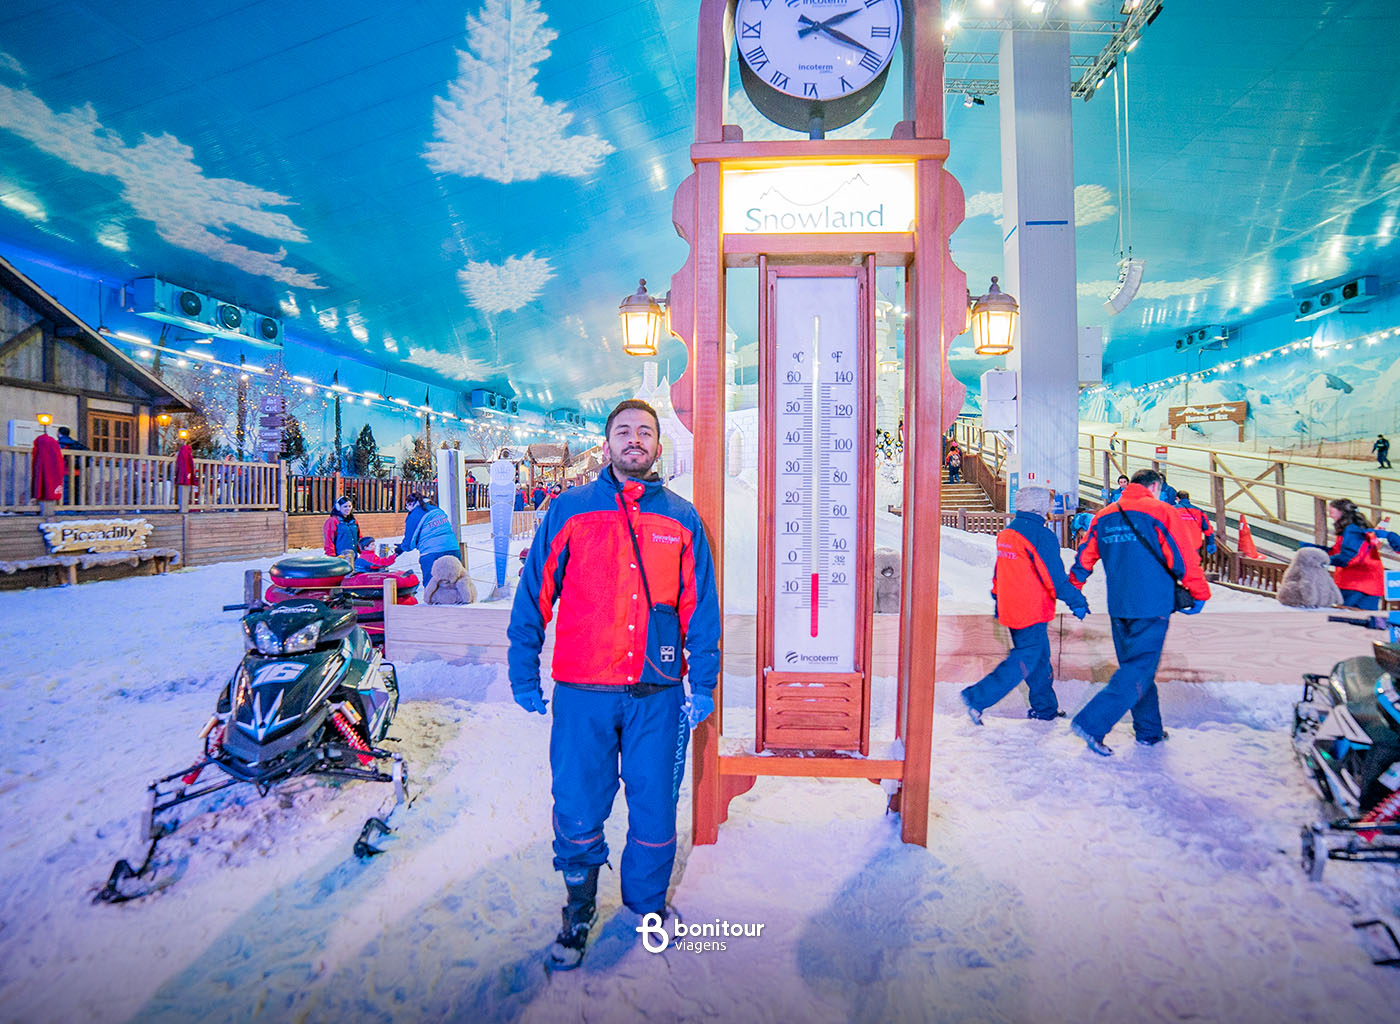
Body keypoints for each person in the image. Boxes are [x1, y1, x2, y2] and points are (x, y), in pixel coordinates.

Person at [507, 399, 720, 970]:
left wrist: (703, 680)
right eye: (623, 431)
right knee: (578, 802)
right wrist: (522, 666)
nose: (634, 439)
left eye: (644, 432)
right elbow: (534, 592)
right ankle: (578, 906)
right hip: (583, 692)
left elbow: (700, 606)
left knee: (655, 807)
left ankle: (646, 905)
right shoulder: (570, 510)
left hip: (658, 693)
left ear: (657, 446)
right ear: (607, 445)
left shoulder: (682, 519)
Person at [1068, 468, 1211, 756]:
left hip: (1119, 605)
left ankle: (1149, 731)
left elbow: (1085, 557)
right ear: (1155, 487)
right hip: (1152, 604)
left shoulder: (1104, 515)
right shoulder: (1162, 511)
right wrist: (1199, 592)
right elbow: (1183, 557)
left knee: (1135, 668)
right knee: (1139, 669)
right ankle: (1092, 723)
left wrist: (1075, 587)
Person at [960, 487, 1089, 725]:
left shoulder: (1008, 533)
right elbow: (1055, 579)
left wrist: (998, 597)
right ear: (1038, 507)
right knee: (1026, 658)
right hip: (1030, 609)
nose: (1050, 507)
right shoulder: (1041, 536)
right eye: (1048, 503)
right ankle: (977, 697)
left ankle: (1045, 709)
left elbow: (1000, 572)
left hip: (1011, 607)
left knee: (1039, 658)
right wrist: (1077, 601)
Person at [1302, 498, 1384, 609]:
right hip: (1368, 581)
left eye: (1331, 512)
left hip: (1357, 582)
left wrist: (1322, 560)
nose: (1329, 516)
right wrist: (1309, 548)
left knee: (1347, 614)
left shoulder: (1352, 530)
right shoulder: (1351, 528)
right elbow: (1336, 551)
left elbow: (1349, 557)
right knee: (1365, 616)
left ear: (1341, 512)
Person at [396, 492, 460, 585]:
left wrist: (401, 548)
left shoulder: (415, 514)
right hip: (453, 549)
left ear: (410, 504)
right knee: (455, 583)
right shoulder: (437, 510)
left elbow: (409, 542)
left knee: (432, 585)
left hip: (432, 553)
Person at [1172, 490, 1217, 556]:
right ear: (1188, 498)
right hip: (1194, 543)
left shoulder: (1172, 510)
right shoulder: (1198, 511)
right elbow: (1207, 529)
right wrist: (1211, 543)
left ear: (1177, 498)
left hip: (1177, 543)